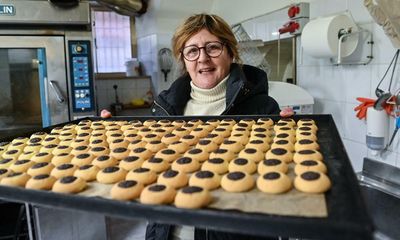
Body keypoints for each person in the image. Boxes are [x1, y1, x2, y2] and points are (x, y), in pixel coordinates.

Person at [102, 13, 292, 240]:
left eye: (213, 48)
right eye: (192, 51)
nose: (202, 58)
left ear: (231, 52)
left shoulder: (263, 109)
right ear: (183, 59)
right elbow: (143, 170)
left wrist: (289, 145)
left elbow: (277, 184)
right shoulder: (165, 108)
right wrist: (110, 139)